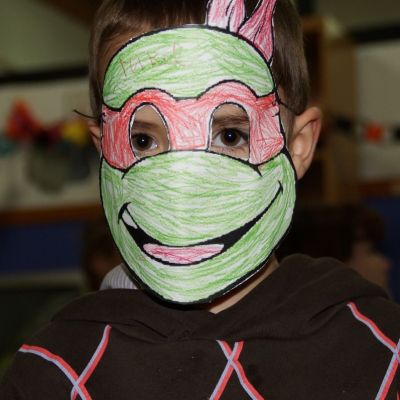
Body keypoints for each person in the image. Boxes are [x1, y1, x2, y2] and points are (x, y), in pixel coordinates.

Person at [1, 0, 399, 398]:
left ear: (297, 146)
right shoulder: (54, 372)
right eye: (142, 141)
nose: (182, 182)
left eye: (230, 136)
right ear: (104, 148)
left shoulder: (377, 350)